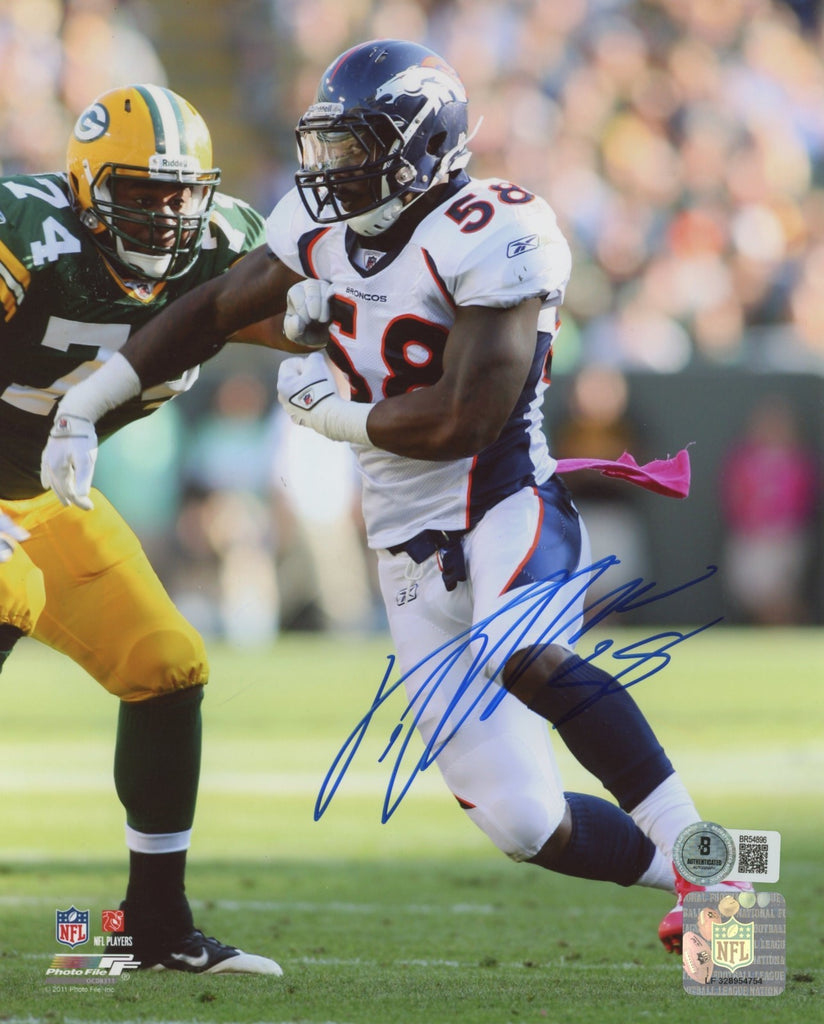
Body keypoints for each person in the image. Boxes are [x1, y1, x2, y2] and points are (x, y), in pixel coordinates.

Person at [39, 41, 749, 955]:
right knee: (524, 824)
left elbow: (466, 418)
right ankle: (716, 871)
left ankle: (711, 873)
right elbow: (213, 310)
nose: (333, 167)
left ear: (423, 146)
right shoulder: (321, 227)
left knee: (521, 650)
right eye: (327, 144)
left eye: (356, 146)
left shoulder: (497, 228)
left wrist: (332, 414)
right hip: (402, 544)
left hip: (502, 499)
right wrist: (90, 402)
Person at [0, 83, 285, 974]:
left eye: (181, 193)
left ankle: (154, 926)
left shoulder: (227, 243)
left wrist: (334, 333)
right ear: (88, 185)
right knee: (9, 589)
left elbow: (305, 324)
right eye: (141, 192)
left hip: (37, 495)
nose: (165, 214)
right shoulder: (23, 235)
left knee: (165, 662)